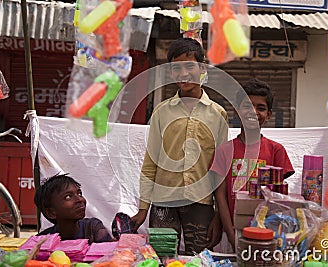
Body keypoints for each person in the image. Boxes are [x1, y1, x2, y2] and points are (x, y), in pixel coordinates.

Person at [131, 38, 229, 254]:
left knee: (199, 258)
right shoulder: (161, 112)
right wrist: (142, 209)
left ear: (202, 68)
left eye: (189, 66)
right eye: (176, 68)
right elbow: (150, 164)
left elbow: (221, 170)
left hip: (201, 204)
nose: (183, 73)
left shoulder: (218, 114)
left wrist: (219, 216)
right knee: (162, 258)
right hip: (163, 203)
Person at [210, 78, 295, 249]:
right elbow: (220, 197)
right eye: (247, 106)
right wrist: (233, 238)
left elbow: (280, 199)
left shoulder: (276, 150)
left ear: (269, 114)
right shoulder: (224, 151)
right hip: (232, 232)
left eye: (261, 108)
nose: (253, 111)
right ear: (237, 111)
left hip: (268, 234)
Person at [34, 173, 113, 244]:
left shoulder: (93, 228)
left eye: (79, 193)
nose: (80, 199)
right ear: (51, 212)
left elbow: (111, 254)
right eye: (68, 197)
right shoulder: (42, 241)